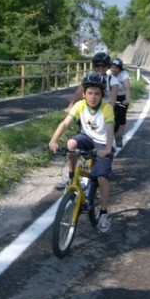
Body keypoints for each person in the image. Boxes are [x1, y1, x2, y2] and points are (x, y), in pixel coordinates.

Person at [49, 73, 115, 233]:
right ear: (84, 94)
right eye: (90, 93)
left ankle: (104, 215)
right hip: (86, 137)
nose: (93, 97)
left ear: (102, 95)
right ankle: (72, 178)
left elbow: (110, 128)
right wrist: (53, 140)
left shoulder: (106, 108)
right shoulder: (80, 105)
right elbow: (65, 123)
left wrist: (106, 149)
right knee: (71, 143)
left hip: (103, 143)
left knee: (102, 178)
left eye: (97, 94)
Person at [107, 57, 131, 148]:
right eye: (112, 67)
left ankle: (119, 136)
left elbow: (127, 88)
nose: (114, 69)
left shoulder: (124, 75)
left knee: (121, 115)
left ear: (120, 68)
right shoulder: (108, 73)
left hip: (122, 97)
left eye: (116, 67)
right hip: (111, 96)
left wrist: (127, 100)